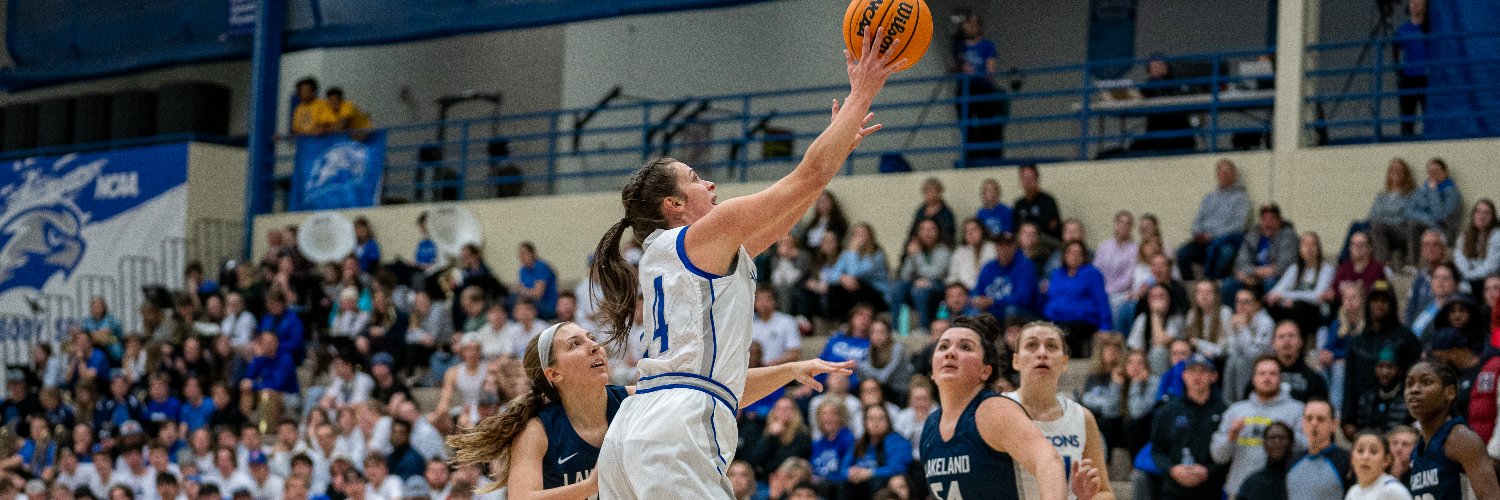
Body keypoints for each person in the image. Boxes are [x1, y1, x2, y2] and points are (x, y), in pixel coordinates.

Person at [588, 32, 901, 498]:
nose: (710, 183)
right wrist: (863, 93)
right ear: (675, 204)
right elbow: (805, 178)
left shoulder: (676, 252)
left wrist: (836, 150)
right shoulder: (706, 235)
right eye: (695, 179)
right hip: (676, 432)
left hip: (638, 428)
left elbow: (791, 206)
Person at [448, 322, 850, 498]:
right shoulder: (539, 429)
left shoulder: (630, 401)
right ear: (554, 374)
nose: (593, 346)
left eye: (591, 338)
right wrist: (590, 488)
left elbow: (711, 394)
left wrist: (789, 369)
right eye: (575, 345)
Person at [920, 315, 1068, 500]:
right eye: (943, 346)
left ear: (985, 371)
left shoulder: (991, 410)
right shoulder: (930, 426)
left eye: (965, 347)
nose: (950, 353)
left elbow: (1048, 462)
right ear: (933, 371)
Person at [1004, 322, 1113, 500]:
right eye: (1031, 345)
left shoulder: (1082, 417)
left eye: (1051, 346)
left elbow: (1105, 492)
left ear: (1064, 362)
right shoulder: (997, 410)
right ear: (1015, 361)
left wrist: (1086, 498)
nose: (1042, 353)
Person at [1211, 355, 1307, 497]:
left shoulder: (1298, 410)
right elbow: (1218, 456)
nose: (1267, 378)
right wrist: (1231, 437)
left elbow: (1308, 449)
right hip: (1240, 492)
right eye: (1262, 373)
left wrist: (1288, 435)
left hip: (1284, 493)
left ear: (1281, 378)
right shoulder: (1236, 411)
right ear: (1253, 378)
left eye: (1272, 373)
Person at [1404, 360, 1500, 499]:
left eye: (1426, 382)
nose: (1414, 389)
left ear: (1449, 392)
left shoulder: (1461, 439)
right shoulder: (1418, 450)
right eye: (1409, 384)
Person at [1176, 159, 1250, 281]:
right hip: (1202, 241)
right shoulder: (1209, 198)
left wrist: (1213, 236)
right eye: (1221, 172)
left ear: (1234, 175)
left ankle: (1210, 284)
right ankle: (1192, 286)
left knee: (1227, 253)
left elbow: (1239, 225)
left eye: (1227, 172)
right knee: (1182, 253)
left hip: (1224, 241)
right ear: (1217, 175)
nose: (1223, 175)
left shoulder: (1242, 198)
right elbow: (1197, 220)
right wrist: (1197, 233)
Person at [950, 12, 1006, 163]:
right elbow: (953, 67)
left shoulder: (987, 45)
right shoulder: (959, 47)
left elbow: (991, 70)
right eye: (967, 24)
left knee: (986, 123)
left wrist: (976, 73)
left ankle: (989, 155)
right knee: (966, 125)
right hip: (965, 90)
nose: (970, 27)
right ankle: (971, 154)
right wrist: (959, 67)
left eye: (973, 24)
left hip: (982, 88)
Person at [1042, 241, 1113, 357]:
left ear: (1084, 256)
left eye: (1078, 253)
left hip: (1082, 321)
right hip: (1054, 319)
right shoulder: (1056, 274)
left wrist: (1105, 326)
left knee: (1067, 334)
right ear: (1064, 255)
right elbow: (1050, 298)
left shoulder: (1092, 274)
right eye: (1070, 252)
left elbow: (1101, 301)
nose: (1074, 256)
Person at [1223, 204, 1299, 307]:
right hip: (1250, 278)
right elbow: (1240, 263)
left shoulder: (1289, 236)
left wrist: (1254, 274)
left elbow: (1284, 266)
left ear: (1279, 221)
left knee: (1271, 284)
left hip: (1275, 279)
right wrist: (1251, 275)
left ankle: (1272, 320)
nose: (1267, 223)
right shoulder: (1252, 235)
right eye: (1264, 219)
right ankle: (1234, 317)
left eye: (1272, 219)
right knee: (1228, 284)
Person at [1265, 231, 1334, 341]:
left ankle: (1297, 344)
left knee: (1299, 306)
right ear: (1300, 249)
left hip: (1315, 313)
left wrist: (1287, 296)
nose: (1309, 248)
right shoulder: (1295, 269)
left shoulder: (1327, 269)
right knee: (1268, 303)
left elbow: (1317, 297)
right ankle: (1277, 340)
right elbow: (1274, 293)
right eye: (1305, 244)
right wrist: (1283, 301)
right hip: (1293, 311)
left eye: (1313, 244)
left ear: (1318, 248)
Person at [836, 404, 912, 499]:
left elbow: (897, 469)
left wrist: (870, 473)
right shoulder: (859, 443)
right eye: (871, 419)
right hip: (858, 485)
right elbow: (843, 468)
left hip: (881, 484)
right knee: (842, 485)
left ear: (888, 421)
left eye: (880, 418)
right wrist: (850, 473)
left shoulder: (898, 441)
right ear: (865, 422)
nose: (875, 423)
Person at [893, 219, 952, 328]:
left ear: (938, 232)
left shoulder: (943, 250)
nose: (927, 233)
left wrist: (917, 255)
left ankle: (923, 329)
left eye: (931, 229)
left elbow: (935, 274)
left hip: (939, 286)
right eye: (923, 229)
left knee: (919, 291)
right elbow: (905, 275)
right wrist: (911, 256)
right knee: (898, 286)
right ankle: (895, 328)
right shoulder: (915, 249)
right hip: (918, 285)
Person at [1287, 398, 1350, 500]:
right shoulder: (1292, 460)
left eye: (1320, 419)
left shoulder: (1347, 461)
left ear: (1334, 424)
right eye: (1309, 418)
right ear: (1302, 423)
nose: (1314, 423)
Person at [1132, 55, 1195, 152]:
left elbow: (1185, 96)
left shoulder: (1176, 82)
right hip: (1156, 135)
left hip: (1179, 135)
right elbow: (1139, 98)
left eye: (1161, 64)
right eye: (1155, 66)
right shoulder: (1148, 86)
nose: (1159, 67)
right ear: (1149, 70)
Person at [971, 232, 1039, 321]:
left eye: (1008, 245)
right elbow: (978, 290)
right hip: (991, 309)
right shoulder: (988, 266)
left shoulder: (1026, 266)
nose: (1004, 249)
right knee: (971, 310)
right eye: (1000, 245)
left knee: (1011, 311)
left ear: (1015, 246)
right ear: (996, 247)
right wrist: (976, 300)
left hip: (1022, 311)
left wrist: (993, 301)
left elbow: (1023, 298)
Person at [1368, 158, 1419, 268]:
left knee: (1376, 225)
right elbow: (1372, 215)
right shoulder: (1381, 196)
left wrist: (1384, 215)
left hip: (1401, 231)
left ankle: (1382, 265)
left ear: (1405, 174)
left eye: (1398, 170)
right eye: (1392, 169)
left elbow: (1404, 217)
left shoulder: (1411, 195)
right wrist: (1391, 214)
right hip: (1383, 232)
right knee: (1360, 228)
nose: (1395, 172)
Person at [1404, 158, 1462, 244]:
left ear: (1445, 172)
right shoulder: (1423, 189)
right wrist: (1428, 218)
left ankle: (1414, 257)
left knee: (1413, 226)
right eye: (1430, 171)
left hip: (1442, 231)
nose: (1433, 174)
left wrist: (1433, 192)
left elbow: (1440, 216)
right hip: (1421, 226)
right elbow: (1407, 211)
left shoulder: (1452, 193)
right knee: (1409, 226)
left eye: (1437, 171)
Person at [1393, 0, 1429, 136]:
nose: (1415, 6)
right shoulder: (1403, 29)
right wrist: (1399, 70)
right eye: (1412, 3)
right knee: (1407, 115)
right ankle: (1407, 138)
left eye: (1419, 3)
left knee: (1428, 112)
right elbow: (1395, 49)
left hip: (1426, 76)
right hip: (1409, 77)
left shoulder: (1430, 27)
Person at [1235, 421, 1296, 500]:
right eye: (1272, 438)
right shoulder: (1252, 483)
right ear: (1264, 443)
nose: (1277, 442)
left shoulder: (1299, 479)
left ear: (1291, 443)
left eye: (1282, 438)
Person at [1345, 430, 1412, 500]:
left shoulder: (1393, 490)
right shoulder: (1353, 492)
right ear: (1352, 458)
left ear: (1386, 460)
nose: (1365, 457)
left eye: (1373, 451)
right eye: (1360, 450)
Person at [1453, 199, 1499, 294]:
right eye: (1478, 211)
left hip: (1488, 280)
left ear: (1492, 217)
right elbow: (1459, 261)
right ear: (1473, 215)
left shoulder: (1497, 235)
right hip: (1468, 280)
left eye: (1486, 213)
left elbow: (1490, 267)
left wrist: (1470, 276)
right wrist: (1468, 276)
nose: (1482, 216)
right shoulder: (1464, 237)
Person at [751, 286, 802, 367]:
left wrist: (772, 364)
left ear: (775, 301)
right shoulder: (748, 323)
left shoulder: (787, 321)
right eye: (759, 299)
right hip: (753, 372)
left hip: (779, 370)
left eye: (767, 299)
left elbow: (794, 353)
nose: (763, 303)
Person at [1013, 164, 1062, 244]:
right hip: (1024, 244)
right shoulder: (1018, 204)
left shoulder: (1048, 201)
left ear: (1037, 179)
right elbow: (1016, 228)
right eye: (1025, 178)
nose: (1028, 181)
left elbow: (1052, 226)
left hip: (1046, 243)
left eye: (1030, 177)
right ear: (1021, 181)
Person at [947, 218, 996, 292]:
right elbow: (952, 276)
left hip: (987, 291)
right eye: (966, 232)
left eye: (974, 230)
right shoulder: (960, 251)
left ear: (982, 231)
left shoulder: (993, 248)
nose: (970, 234)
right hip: (963, 292)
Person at [513, 242, 560, 320]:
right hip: (532, 303)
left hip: (547, 305)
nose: (522, 257)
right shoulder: (523, 270)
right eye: (520, 254)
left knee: (524, 306)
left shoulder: (541, 266)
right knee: (511, 301)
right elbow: (520, 288)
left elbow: (538, 293)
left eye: (525, 253)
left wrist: (523, 291)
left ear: (533, 254)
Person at [908, 177, 956, 247]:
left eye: (933, 191)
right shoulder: (920, 211)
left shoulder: (946, 213)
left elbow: (948, 235)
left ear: (939, 192)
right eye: (927, 191)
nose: (930, 194)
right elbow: (913, 232)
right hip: (921, 246)